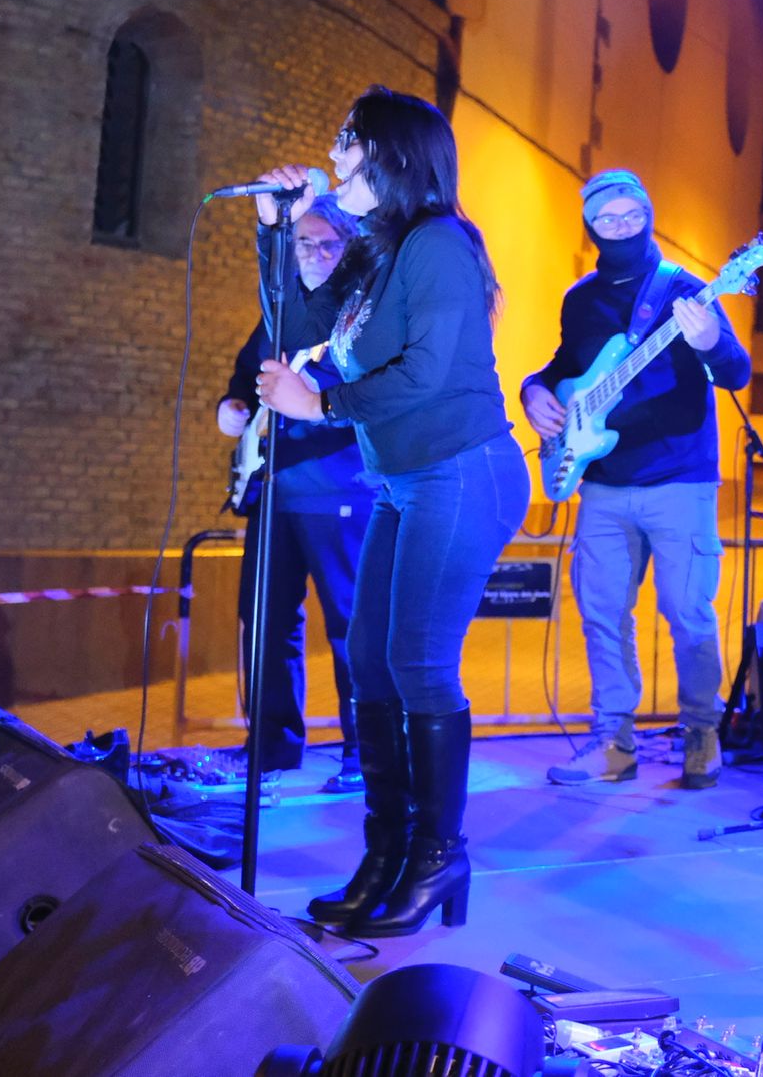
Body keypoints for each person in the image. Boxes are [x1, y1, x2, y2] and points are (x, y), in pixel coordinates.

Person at [251, 86, 529, 938]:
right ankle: (389, 852)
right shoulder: (377, 250)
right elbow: (297, 322)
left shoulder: (440, 243)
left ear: (393, 154)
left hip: (463, 471)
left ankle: (440, 857)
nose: (334, 153)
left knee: (418, 663)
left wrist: (320, 406)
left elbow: (426, 372)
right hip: (405, 479)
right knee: (369, 661)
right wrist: (273, 230)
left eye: (349, 139)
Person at [519, 169, 751, 789]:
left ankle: (701, 732)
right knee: (602, 614)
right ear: (590, 226)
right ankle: (612, 743)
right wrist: (533, 389)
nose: (621, 227)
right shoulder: (580, 299)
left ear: (649, 216)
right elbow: (565, 366)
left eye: (632, 215)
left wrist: (711, 342)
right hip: (602, 481)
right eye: (608, 218)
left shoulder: (687, 289)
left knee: (688, 613)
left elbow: (736, 372)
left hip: (679, 480)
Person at [217, 199, 374, 792]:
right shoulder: (279, 310)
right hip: (272, 487)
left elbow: (374, 397)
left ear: (349, 249)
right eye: (303, 243)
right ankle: (272, 747)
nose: (313, 254)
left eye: (327, 243)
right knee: (264, 619)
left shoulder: (363, 314)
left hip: (338, 488)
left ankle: (365, 754)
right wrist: (232, 405)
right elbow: (247, 375)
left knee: (350, 624)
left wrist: (309, 402)